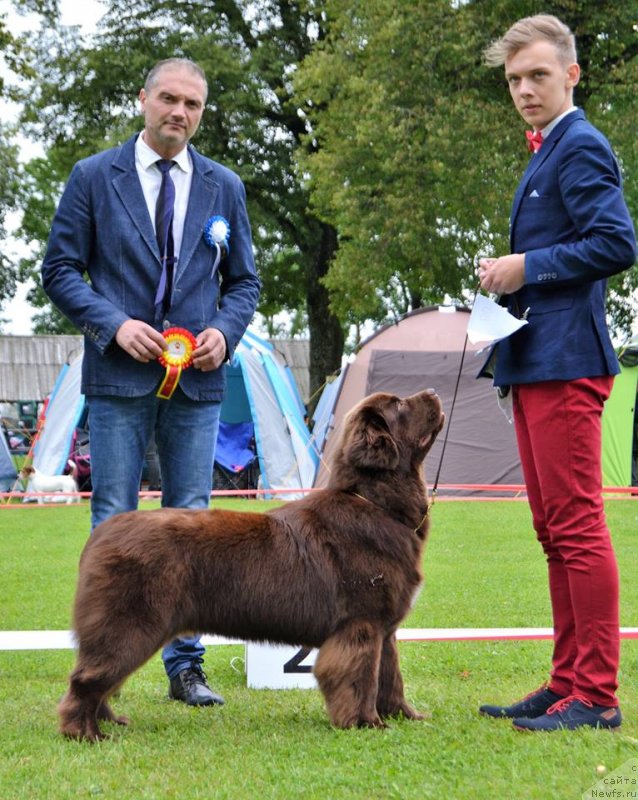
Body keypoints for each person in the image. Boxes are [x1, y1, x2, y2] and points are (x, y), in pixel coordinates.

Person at [42, 57, 261, 707]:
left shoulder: (225, 186)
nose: (180, 113)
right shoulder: (92, 178)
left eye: (193, 104)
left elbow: (244, 281)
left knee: (191, 526)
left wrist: (225, 331)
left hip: (197, 383)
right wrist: (112, 324)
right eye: (169, 99)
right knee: (114, 523)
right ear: (143, 99)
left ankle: (185, 668)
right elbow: (60, 270)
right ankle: (101, 667)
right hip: (117, 380)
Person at [476, 15, 636, 732]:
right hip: (536, 358)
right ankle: (567, 680)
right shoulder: (548, 151)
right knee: (552, 529)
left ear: (572, 74)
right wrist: (507, 276)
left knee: (575, 528)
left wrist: (526, 267)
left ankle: (596, 695)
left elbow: (616, 241)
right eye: (514, 80)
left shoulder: (580, 146)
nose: (524, 90)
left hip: (567, 363)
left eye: (537, 75)